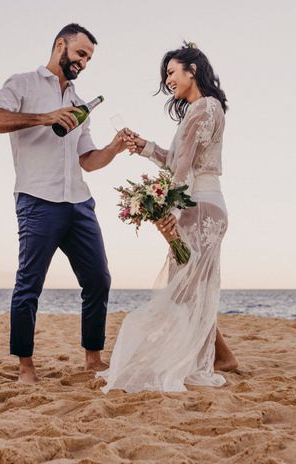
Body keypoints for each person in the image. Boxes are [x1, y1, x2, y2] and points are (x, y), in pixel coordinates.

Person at [0, 23, 131, 384]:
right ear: (60, 45)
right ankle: (26, 367)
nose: (84, 62)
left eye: (89, 58)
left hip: (79, 202)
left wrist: (114, 148)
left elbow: (88, 160)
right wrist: (43, 118)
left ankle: (93, 359)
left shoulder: (79, 104)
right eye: (80, 53)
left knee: (98, 280)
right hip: (37, 200)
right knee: (29, 283)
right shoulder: (23, 84)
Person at [98, 42, 238, 393]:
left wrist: (166, 208)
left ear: (192, 70)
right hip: (204, 204)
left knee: (184, 288)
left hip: (200, 205)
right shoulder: (203, 109)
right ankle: (221, 356)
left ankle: (201, 359)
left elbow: (183, 166)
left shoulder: (203, 108)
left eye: (172, 72)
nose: (168, 80)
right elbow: (178, 159)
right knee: (192, 286)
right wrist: (144, 146)